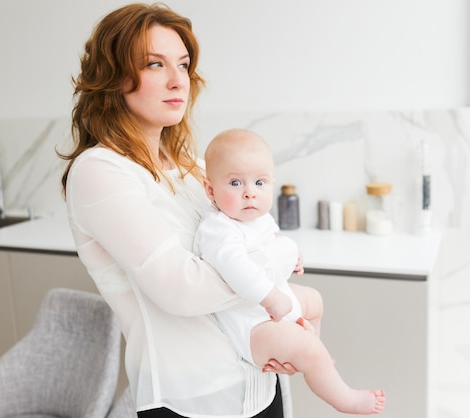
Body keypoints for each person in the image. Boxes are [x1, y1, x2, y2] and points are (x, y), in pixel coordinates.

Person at [58, 3, 299, 417]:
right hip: (193, 399)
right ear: (113, 77)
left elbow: (251, 238)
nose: (177, 80)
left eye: (183, 64)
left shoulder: (194, 168)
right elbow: (183, 290)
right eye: (155, 64)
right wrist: (285, 253)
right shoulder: (100, 171)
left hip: (259, 378)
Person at [194, 128, 386, 415]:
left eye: (259, 182)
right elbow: (237, 269)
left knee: (315, 300)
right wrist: (271, 298)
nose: (249, 192)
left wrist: (292, 256)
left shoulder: (260, 219)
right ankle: (344, 397)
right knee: (307, 350)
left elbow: (275, 244)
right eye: (235, 182)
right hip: (251, 325)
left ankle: (316, 354)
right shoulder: (218, 228)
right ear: (211, 190)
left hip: (274, 305)